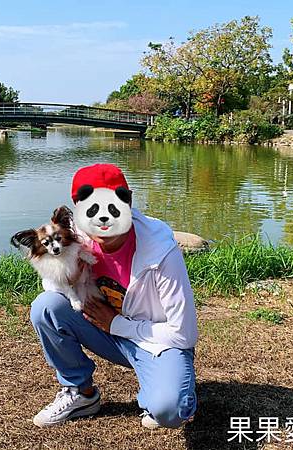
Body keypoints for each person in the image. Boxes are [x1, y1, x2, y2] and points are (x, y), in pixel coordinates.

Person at [29, 163, 198, 429]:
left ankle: (161, 391)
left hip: (155, 342)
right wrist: (68, 278)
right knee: (46, 307)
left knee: (170, 410)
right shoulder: (74, 238)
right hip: (106, 334)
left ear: (127, 204)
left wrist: (116, 324)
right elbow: (50, 284)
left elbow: (184, 335)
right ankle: (80, 393)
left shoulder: (162, 250)